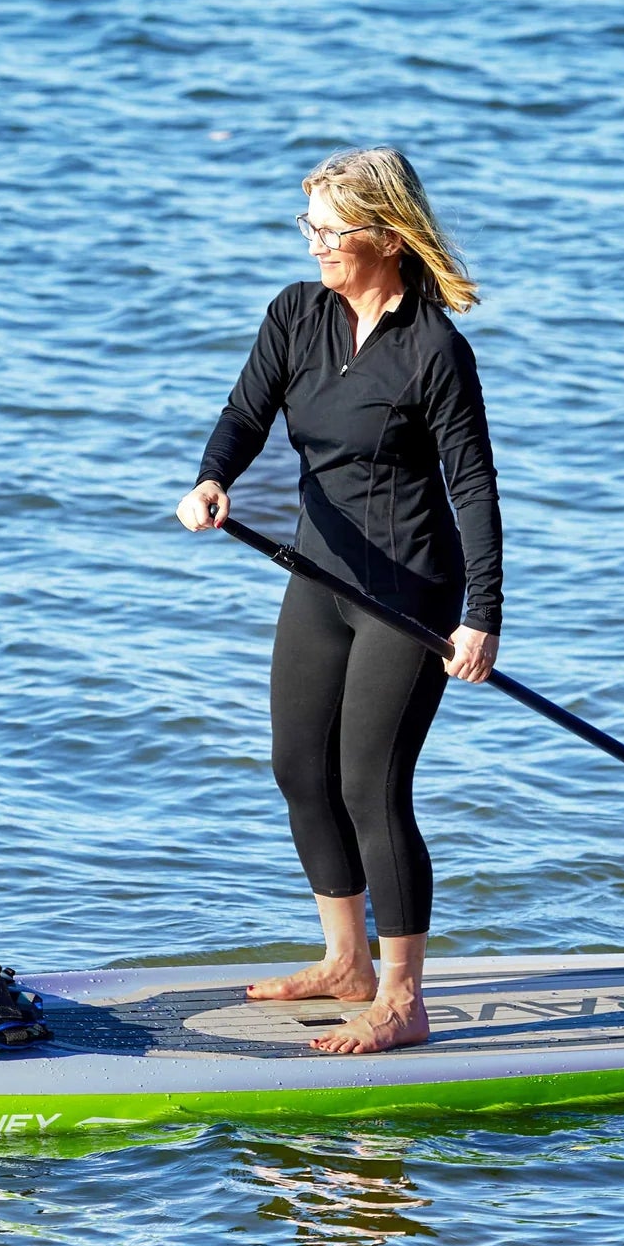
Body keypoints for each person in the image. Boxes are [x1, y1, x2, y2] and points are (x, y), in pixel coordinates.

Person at [176, 147, 502, 1055]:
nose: (315, 242)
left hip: (409, 595)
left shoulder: (436, 351)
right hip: (321, 577)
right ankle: (345, 962)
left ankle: (402, 999)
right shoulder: (296, 314)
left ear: (387, 237)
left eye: (330, 228)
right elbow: (246, 413)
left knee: (372, 786)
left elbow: (473, 486)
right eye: (308, 225)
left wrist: (482, 614)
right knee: (297, 769)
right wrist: (213, 479)